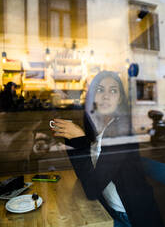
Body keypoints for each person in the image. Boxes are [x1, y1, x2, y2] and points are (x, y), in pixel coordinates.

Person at [51, 71, 164, 227]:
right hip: (108, 209)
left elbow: (91, 189)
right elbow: (84, 176)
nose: (106, 96)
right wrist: (74, 140)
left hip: (131, 218)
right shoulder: (98, 127)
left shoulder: (120, 132)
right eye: (99, 89)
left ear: (119, 100)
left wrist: (79, 141)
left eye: (113, 90)